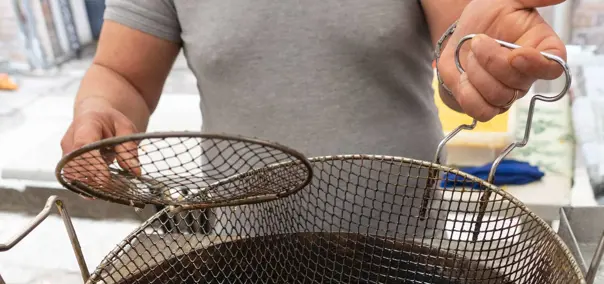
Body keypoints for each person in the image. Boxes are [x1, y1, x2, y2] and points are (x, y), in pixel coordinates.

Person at [61, 0, 566, 166]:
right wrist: (99, 108)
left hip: (406, 247)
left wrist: (483, 60)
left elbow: (461, 46)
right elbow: (121, 74)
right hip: (243, 256)